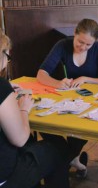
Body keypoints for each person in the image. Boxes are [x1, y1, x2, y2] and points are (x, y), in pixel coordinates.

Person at [37, 18, 98, 178]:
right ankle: (74, 160)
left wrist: (85, 78)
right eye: (80, 42)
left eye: (88, 44)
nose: (83, 47)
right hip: (64, 102)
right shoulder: (62, 45)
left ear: (95, 42)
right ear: (74, 34)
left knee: (80, 131)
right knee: (45, 125)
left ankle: (60, 164)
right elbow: (41, 74)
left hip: (91, 105)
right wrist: (57, 83)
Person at [0, 29, 70, 188]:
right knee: (58, 148)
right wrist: (23, 109)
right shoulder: (1, 88)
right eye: (7, 57)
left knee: (33, 145)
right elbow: (19, 139)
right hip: (5, 177)